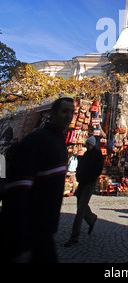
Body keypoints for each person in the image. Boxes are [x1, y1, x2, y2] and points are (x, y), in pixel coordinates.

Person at [0, 97, 75, 263]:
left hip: (44, 231)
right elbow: (17, 193)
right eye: (64, 111)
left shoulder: (59, 141)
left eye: (72, 112)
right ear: (52, 114)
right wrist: (19, 244)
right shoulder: (37, 141)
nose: (69, 116)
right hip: (30, 232)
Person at [64, 136, 104, 246]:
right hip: (82, 182)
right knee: (80, 204)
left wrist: (91, 176)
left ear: (93, 144)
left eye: (89, 144)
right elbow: (80, 166)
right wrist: (78, 175)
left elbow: (98, 168)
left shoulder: (97, 154)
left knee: (80, 209)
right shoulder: (86, 154)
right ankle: (91, 219)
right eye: (87, 145)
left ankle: (74, 236)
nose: (87, 146)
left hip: (90, 182)